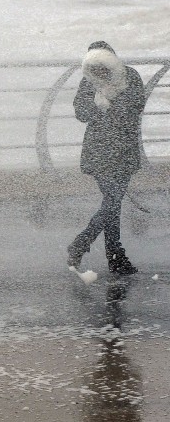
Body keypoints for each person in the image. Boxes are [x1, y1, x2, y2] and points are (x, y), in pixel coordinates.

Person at [67, 41, 145, 275]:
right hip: (100, 152)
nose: (100, 70)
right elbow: (81, 112)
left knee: (112, 203)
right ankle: (106, 252)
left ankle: (109, 254)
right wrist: (97, 104)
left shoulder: (129, 76)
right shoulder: (89, 81)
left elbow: (136, 105)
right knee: (112, 202)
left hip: (123, 151)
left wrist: (108, 103)